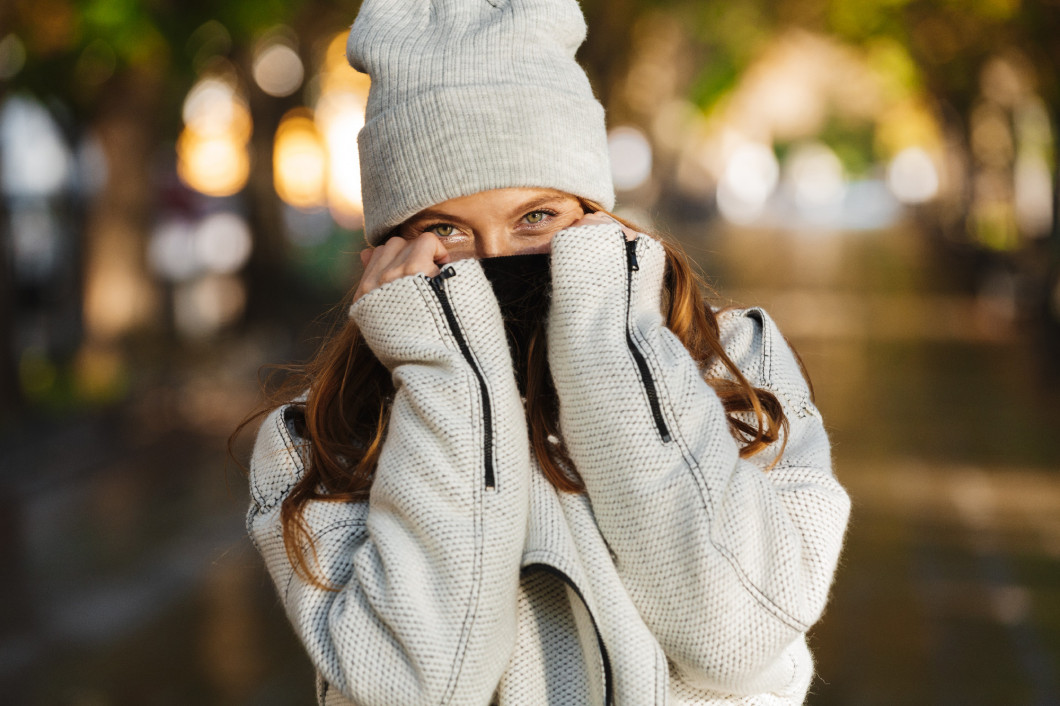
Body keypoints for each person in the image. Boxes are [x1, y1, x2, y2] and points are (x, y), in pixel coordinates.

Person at [239, 0, 851, 704]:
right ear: (392, 247)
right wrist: (446, 378)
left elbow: (738, 638)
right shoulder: (321, 439)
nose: (499, 258)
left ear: (594, 216)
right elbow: (411, 688)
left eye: (537, 217)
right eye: (448, 229)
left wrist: (608, 348)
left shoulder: (736, 367)